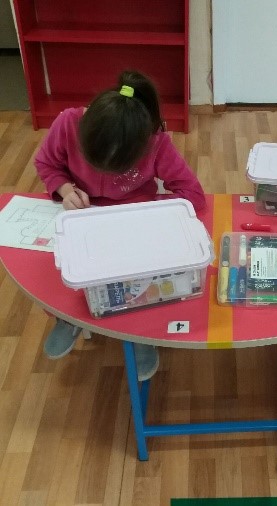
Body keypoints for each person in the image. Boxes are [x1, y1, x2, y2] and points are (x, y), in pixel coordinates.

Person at [35, 70, 206, 381]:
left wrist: (144, 211)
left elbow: (192, 194)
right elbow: (46, 163)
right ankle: (69, 317)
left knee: (143, 281)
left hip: (134, 223)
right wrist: (65, 189)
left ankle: (140, 333)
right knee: (58, 271)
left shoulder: (155, 142)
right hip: (83, 218)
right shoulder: (68, 122)